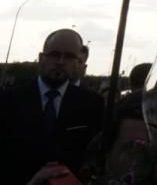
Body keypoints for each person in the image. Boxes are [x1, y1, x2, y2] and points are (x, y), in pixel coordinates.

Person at [0, 29, 104, 185]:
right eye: (55, 54)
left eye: (69, 56)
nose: (61, 62)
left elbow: (95, 157)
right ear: (41, 58)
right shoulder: (9, 100)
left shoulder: (93, 104)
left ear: (79, 62)